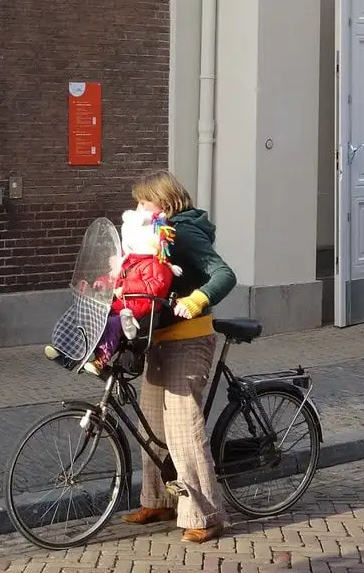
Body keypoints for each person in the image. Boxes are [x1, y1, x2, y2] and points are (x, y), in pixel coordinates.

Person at [119, 169, 237, 544]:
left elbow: (223, 274)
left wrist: (196, 299)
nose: (137, 208)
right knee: (150, 426)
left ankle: (207, 514)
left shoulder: (181, 232)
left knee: (184, 430)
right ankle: (158, 500)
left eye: (143, 202)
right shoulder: (153, 236)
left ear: (165, 203)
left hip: (189, 340)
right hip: (160, 340)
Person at [82, 208, 182, 376]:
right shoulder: (129, 260)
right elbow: (117, 277)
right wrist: (103, 282)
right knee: (95, 315)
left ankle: (101, 359)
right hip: (125, 303)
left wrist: (126, 288)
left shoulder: (156, 264)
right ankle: (78, 349)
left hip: (140, 307)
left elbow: (154, 286)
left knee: (113, 323)